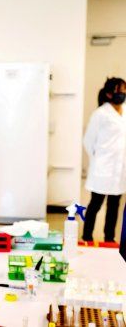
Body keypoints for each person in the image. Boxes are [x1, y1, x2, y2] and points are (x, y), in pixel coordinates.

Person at [82, 77, 126, 242]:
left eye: (124, 90)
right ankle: (86, 236)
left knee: (114, 206)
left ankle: (109, 238)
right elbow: (88, 141)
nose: (123, 94)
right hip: (103, 167)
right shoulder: (100, 114)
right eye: (119, 91)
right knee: (95, 205)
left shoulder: (125, 111)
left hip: (120, 168)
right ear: (109, 94)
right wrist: (97, 161)